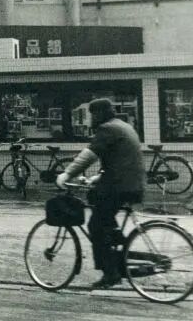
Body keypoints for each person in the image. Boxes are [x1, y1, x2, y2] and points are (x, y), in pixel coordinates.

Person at [56, 98, 146, 289]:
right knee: (98, 204)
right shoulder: (122, 126)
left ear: (99, 114)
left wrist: (66, 174)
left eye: (92, 114)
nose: (90, 119)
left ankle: (110, 273)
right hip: (131, 184)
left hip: (120, 186)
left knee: (95, 225)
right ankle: (117, 247)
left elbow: (89, 154)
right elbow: (119, 160)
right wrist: (96, 178)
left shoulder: (107, 129)